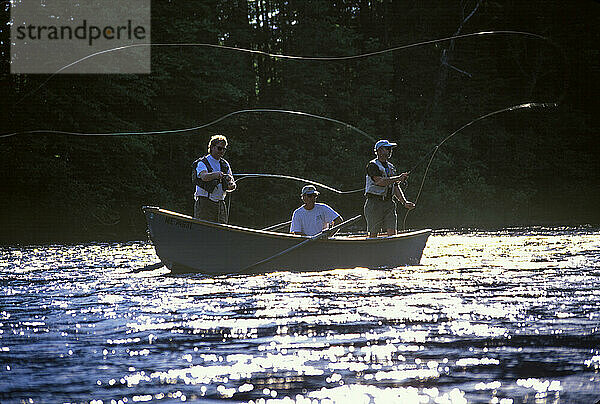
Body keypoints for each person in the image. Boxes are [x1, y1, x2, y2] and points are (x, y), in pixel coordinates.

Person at [364, 139, 415, 238]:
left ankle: (392, 249)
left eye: (390, 149)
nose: (390, 151)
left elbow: (395, 186)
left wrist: (404, 202)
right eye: (387, 148)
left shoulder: (391, 167)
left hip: (389, 203)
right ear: (379, 151)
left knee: (392, 231)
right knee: (373, 233)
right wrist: (398, 178)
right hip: (374, 203)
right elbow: (380, 182)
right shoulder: (372, 165)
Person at [192, 134, 236, 223]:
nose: (222, 151)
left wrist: (231, 185)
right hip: (204, 203)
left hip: (220, 204)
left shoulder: (225, 164)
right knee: (203, 230)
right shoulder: (202, 162)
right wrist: (215, 175)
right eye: (220, 148)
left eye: (224, 149)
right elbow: (204, 176)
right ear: (212, 147)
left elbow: (232, 183)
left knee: (221, 231)